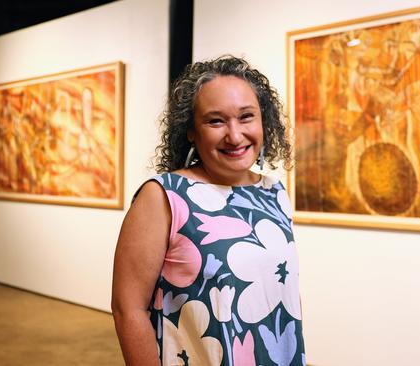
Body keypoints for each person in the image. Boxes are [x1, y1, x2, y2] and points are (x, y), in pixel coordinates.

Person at [111, 55, 306, 366]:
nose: (235, 135)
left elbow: (284, 295)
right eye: (216, 120)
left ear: (263, 121)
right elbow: (128, 309)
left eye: (246, 117)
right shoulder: (164, 195)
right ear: (191, 131)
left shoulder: (273, 192)